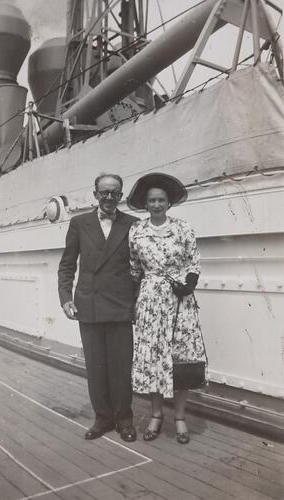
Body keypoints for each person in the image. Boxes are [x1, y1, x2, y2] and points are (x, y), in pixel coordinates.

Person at [127, 172, 207, 444]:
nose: (157, 204)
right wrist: (135, 302)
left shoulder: (183, 228)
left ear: (168, 203)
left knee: (180, 358)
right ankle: (156, 414)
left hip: (179, 299)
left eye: (161, 200)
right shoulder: (137, 231)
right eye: (152, 200)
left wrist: (189, 283)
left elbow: (193, 260)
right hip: (150, 300)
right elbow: (134, 268)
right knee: (153, 359)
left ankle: (180, 417)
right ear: (145, 203)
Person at [58, 173, 138, 442]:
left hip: (120, 306)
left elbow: (141, 269)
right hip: (89, 305)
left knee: (121, 366)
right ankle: (102, 418)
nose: (109, 198)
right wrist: (66, 298)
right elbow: (68, 264)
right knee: (96, 366)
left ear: (121, 195)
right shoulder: (79, 223)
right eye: (104, 192)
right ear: (95, 194)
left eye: (115, 193)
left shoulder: (134, 224)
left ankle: (124, 419)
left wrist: (137, 303)